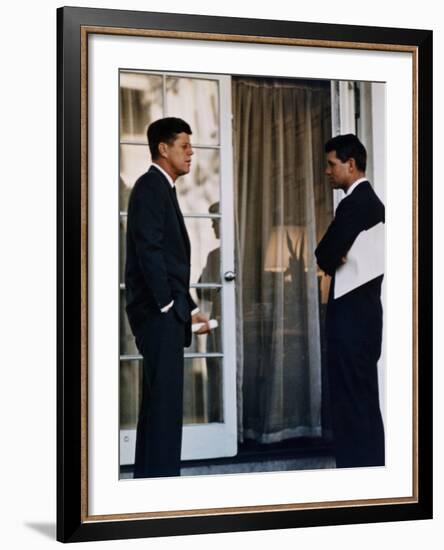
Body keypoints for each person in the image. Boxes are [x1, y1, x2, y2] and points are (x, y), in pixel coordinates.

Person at [125, 117, 210, 478]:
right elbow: (150, 250)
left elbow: (169, 263)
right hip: (157, 316)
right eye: (185, 145)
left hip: (166, 314)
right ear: (164, 148)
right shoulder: (149, 187)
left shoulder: (162, 188)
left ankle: (149, 485)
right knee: (164, 410)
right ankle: (160, 491)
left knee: (159, 408)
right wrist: (168, 306)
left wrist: (187, 310)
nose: (191, 153)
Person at [314, 133, 385, 468]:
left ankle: (359, 477)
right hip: (366, 318)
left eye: (332, 164)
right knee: (364, 401)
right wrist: (335, 253)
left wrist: (333, 254)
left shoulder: (356, 203)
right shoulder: (372, 203)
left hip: (352, 322)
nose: (327, 171)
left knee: (353, 404)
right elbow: (332, 254)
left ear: (351, 165)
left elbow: (324, 253)